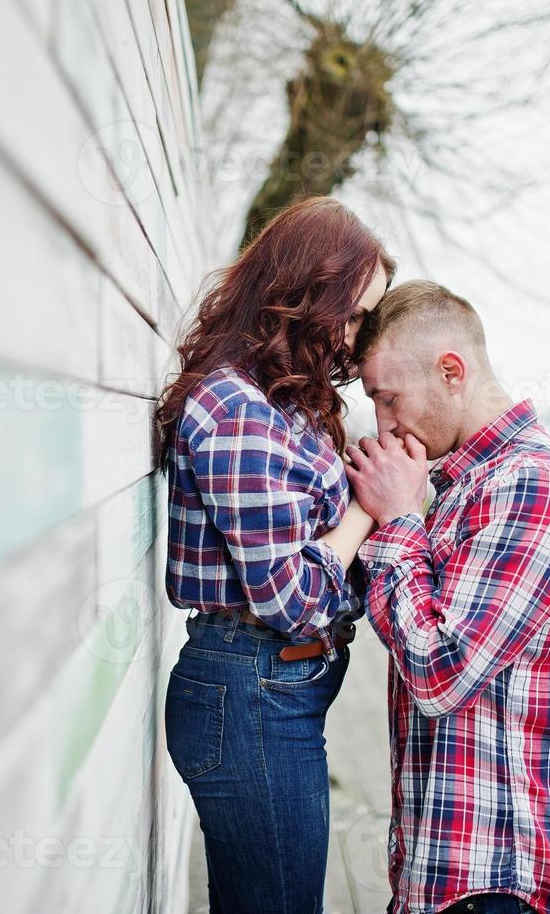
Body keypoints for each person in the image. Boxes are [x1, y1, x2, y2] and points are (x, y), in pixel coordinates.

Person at [155, 196, 394, 914]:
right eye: (351, 316)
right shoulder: (238, 411)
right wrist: (366, 507)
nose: (356, 341)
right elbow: (292, 601)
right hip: (251, 693)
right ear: (300, 297)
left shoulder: (284, 401)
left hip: (270, 692)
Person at [344, 281, 550, 914]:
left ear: (451, 371)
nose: (384, 424)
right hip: (462, 872)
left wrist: (400, 518)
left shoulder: (534, 485)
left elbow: (439, 673)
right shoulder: (472, 484)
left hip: (505, 878)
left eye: (389, 398)